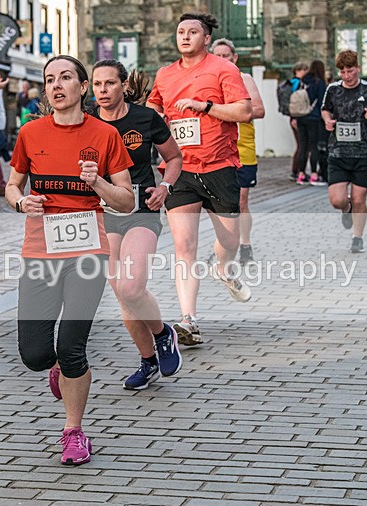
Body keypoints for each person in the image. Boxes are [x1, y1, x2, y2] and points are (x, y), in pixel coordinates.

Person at [5, 55, 134, 465]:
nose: (56, 85)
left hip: (88, 254)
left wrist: (96, 182)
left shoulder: (105, 135)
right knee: (35, 354)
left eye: (65, 78)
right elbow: (12, 185)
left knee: (73, 346)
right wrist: (22, 201)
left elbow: (127, 201)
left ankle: (73, 431)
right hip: (41, 251)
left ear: (83, 87)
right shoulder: (30, 133)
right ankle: (57, 365)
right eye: (49, 80)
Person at [146, 12, 253, 346]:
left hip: (220, 167)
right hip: (180, 170)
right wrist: (157, 116)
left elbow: (244, 112)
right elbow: (153, 111)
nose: (185, 37)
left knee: (230, 242)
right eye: (180, 32)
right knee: (184, 247)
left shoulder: (224, 69)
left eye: (193, 32)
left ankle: (223, 267)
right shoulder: (164, 75)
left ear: (206, 38)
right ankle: (188, 320)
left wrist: (204, 106)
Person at [91, 59, 184, 390]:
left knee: (130, 286)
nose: (103, 90)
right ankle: (148, 362)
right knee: (121, 291)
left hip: (142, 210)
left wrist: (165, 187)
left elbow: (174, 158)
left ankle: (163, 334)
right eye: (98, 84)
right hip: (103, 213)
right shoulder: (86, 121)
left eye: (110, 83)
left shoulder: (145, 118)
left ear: (124, 86)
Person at [321, 49, 367, 254]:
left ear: (358, 68)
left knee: (359, 199)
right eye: (342, 72)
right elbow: (325, 109)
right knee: (337, 200)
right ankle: (346, 209)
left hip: (363, 153)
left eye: (350, 71)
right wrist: (327, 121)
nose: (347, 76)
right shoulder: (332, 90)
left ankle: (357, 237)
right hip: (338, 152)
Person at [210, 38, 265, 266]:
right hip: (216, 150)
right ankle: (222, 247)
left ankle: (245, 244)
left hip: (243, 150)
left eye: (226, 56)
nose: (222, 60)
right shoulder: (207, 82)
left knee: (241, 201)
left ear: (235, 58)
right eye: (218, 56)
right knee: (218, 204)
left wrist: (227, 110)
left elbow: (259, 110)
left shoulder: (244, 79)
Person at [295, 59, 327, 185]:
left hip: (300, 116)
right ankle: (314, 174)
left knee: (303, 145)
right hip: (314, 117)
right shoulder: (319, 82)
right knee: (314, 146)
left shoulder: (303, 81)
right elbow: (322, 101)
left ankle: (301, 174)